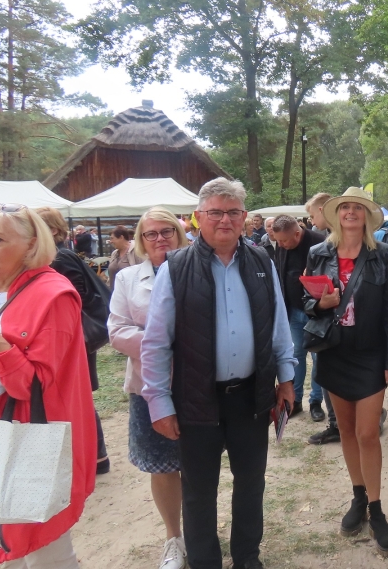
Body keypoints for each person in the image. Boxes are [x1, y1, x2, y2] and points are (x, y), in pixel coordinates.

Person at [141, 177, 297, 569]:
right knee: (198, 492)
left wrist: (287, 378)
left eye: (232, 212)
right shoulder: (176, 268)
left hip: (251, 396)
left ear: (244, 217)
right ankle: (204, 561)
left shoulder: (262, 262)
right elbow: (155, 342)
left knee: (251, 484)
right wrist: (158, 402)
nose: (224, 220)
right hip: (196, 398)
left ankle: (247, 557)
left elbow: (278, 325)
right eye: (215, 212)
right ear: (198, 217)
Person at [0, 204, 95, 568]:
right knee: (9, 550)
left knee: (43, 552)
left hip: (25, 439)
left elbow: (32, 386)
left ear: (32, 243)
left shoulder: (53, 294)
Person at [302, 187, 388, 557]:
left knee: (367, 434)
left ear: (366, 216)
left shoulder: (383, 255)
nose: (350, 212)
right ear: (335, 214)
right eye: (344, 207)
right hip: (334, 351)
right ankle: (358, 497)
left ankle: (376, 509)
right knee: (345, 430)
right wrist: (320, 304)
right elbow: (305, 300)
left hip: (371, 354)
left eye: (357, 208)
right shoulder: (318, 253)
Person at [109, 208, 189, 569]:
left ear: (179, 233)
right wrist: (163, 343)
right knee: (162, 465)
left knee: (199, 462)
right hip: (148, 385)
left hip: (196, 384)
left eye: (166, 231)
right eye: (151, 233)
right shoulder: (128, 278)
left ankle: (200, 531)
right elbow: (117, 331)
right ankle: (174, 538)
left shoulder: (198, 270)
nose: (160, 239)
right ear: (140, 240)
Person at [36, 207, 111, 476]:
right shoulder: (55, 255)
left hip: (74, 337)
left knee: (78, 397)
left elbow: (74, 298)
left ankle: (97, 459)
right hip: (72, 336)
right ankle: (96, 459)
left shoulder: (59, 256)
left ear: (53, 230)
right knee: (76, 396)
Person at [269, 214, 326, 421]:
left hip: (316, 312)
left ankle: (316, 401)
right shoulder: (281, 245)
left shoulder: (319, 242)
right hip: (292, 311)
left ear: (296, 233)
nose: (281, 245)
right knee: (296, 356)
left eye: (284, 240)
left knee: (318, 358)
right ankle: (297, 399)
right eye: (278, 241)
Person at [303, 192, 341, 445]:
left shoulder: (324, 242)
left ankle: (341, 423)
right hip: (327, 324)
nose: (311, 220)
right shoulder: (319, 249)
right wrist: (317, 299)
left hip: (345, 326)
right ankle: (336, 423)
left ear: (322, 210)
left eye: (312, 215)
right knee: (325, 373)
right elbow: (308, 298)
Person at [108, 225, 137, 289]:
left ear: (121, 237)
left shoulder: (136, 251)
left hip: (132, 292)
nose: (111, 241)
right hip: (115, 292)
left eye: (112, 238)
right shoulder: (114, 253)